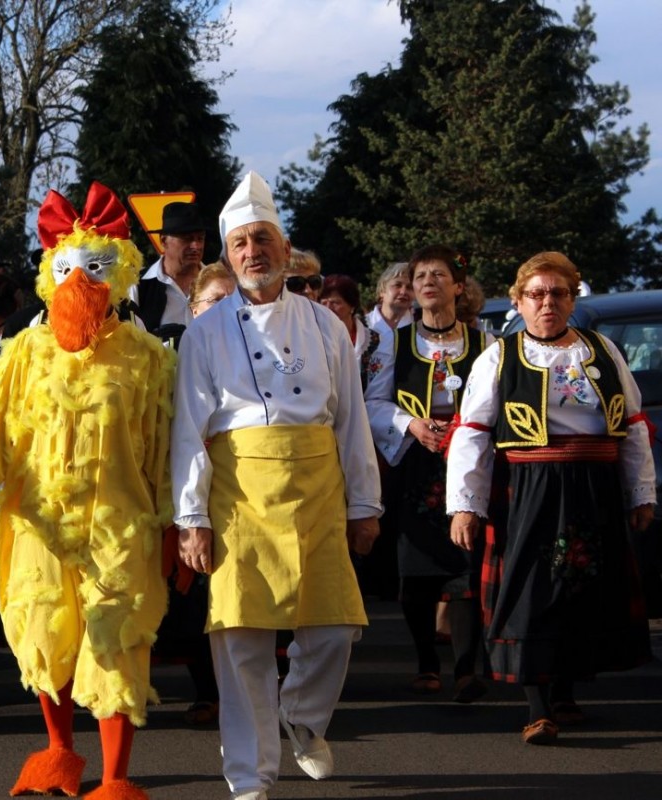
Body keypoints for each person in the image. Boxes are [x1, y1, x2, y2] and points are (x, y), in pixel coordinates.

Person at [0, 182, 174, 800]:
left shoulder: (149, 359)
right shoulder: (23, 352)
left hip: (120, 526)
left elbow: (169, 449)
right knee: (45, 633)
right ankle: (60, 754)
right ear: (47, 276)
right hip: (34, 523)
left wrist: (175, 525)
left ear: (118, 276)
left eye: (92, 269)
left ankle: (116, 779)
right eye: (64, 269)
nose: (77, 283)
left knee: (115, 641)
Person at [171, 171, 381, 800]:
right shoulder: (205, 333)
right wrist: (191, 519)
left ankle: (304, 716)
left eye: (263, 240)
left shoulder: (323, 326)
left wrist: (365, 503)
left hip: (317, 487)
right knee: (242, 645)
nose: (252, 252)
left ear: (285, 251)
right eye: (240, 244)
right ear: (228, 257)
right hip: (239, 496)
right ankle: (250, 780)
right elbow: (189, 428)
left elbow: (352, 419)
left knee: (336, 628)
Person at [447, 251, 655, 745]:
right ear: (518, 301)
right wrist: (465, 505)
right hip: (529, 489)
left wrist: (641, 492)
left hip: (594, 486)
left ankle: (565, 693)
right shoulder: (500, 355)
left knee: (582, 591)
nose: (547, 302)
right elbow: (472, 431)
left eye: (558, 293)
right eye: (536, 294)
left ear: (572, 298)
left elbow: (634, 425)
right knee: (532, 591)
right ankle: (538, 707)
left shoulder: (602, 349)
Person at [363, 246, 492, 702]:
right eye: (420, 276)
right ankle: (425, 661)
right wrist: (412, 425)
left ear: (459, 287)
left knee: (468, 564)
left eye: (439, 275)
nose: (428, 282)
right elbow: (373, 403)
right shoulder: (394, 345)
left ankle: (466, 668)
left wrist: (467, 433)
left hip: (468, 461)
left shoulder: (485, 345)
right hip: (417, 461)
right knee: (416, 568)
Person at [152, 262, 236, 727]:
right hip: (179, 481)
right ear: (193, 307)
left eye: (231, 299)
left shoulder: (254, 351)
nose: (223, 309)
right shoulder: (168, 348)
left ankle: (236, 692)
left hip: (238, 484)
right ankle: (206, 689)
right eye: (213, 301)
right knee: (188, 589)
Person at [130, 200, 208, 334]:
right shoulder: (139, 285)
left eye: (200, 239)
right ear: (163, 241)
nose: (196, 246)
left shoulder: (218, 283)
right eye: (187, 239)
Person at [320, 274, 381, 390]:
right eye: (323, 303)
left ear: (352, 306)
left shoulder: (373, 341)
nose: (327, 308)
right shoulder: (312, 336)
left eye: (335, 303)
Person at [366, 262, 415, 332]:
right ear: (382, 291)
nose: (403, 292)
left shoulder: (421, 326)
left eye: (410, 287)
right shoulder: (361, 326)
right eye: (397, 285)